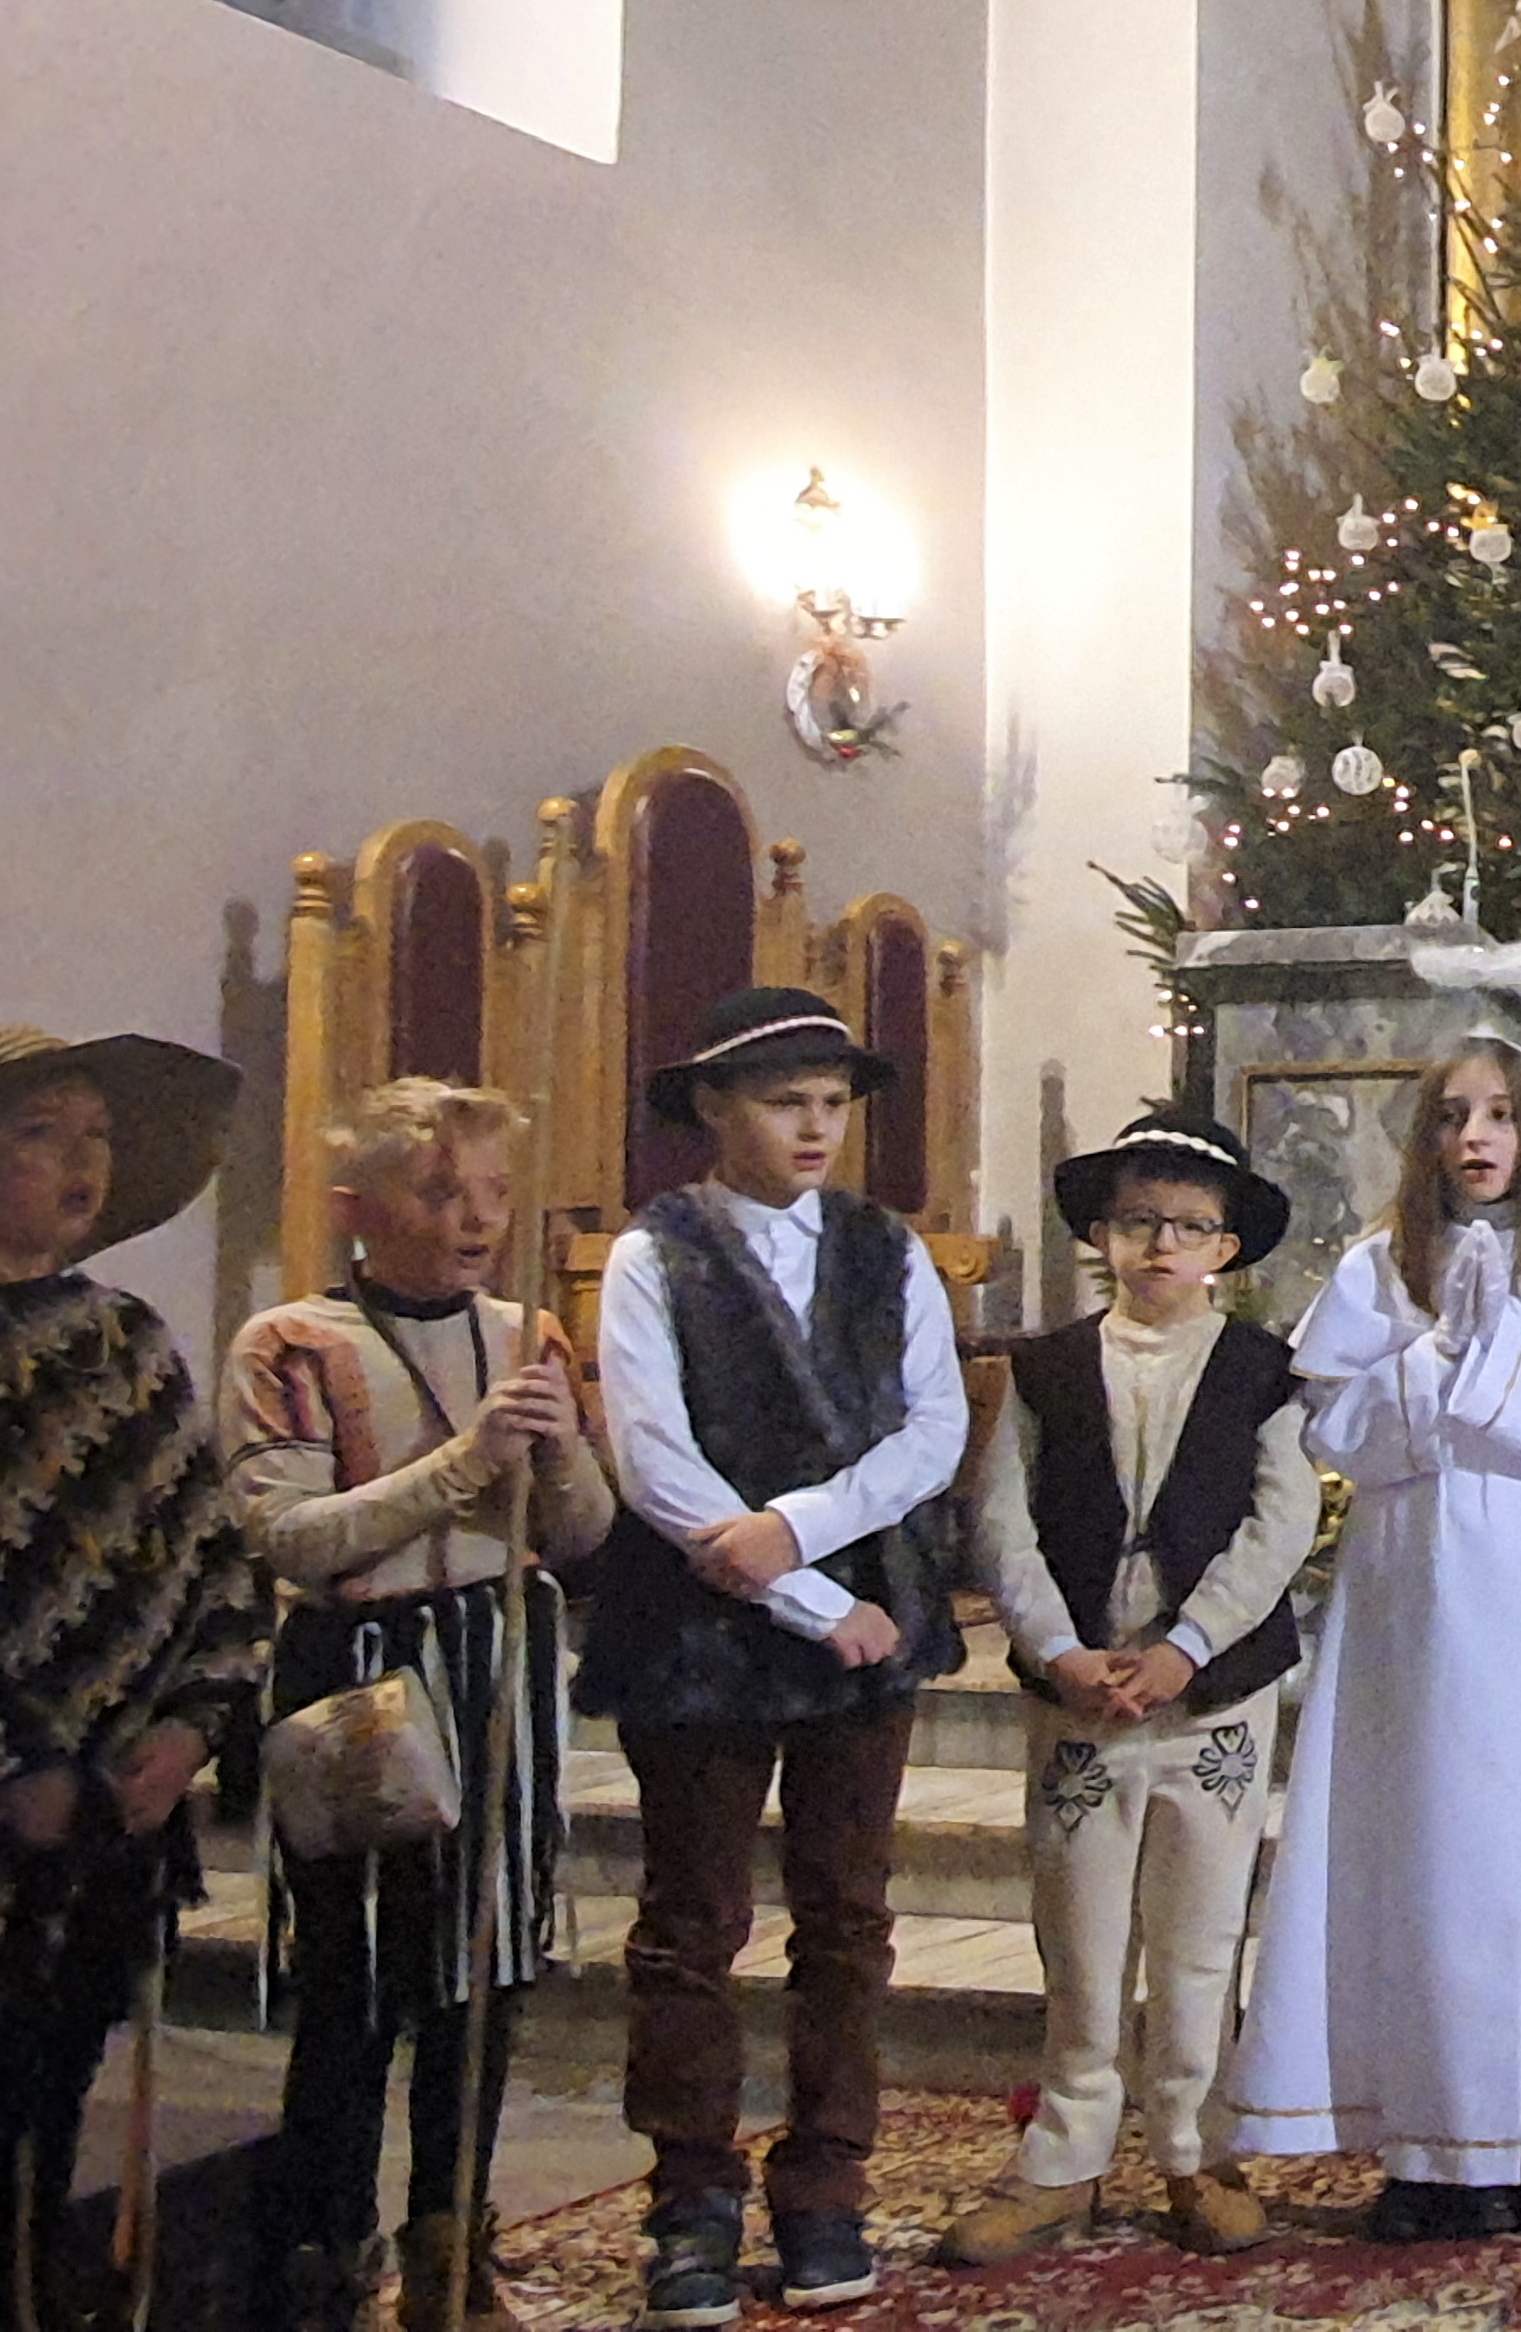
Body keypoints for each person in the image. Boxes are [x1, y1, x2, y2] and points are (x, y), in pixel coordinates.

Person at [580, 989, 970, 2328]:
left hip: (862, 1608)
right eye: (782, 1101)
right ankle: (691, 2196)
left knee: (846, 1918)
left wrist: (800, 1533)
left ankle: (825, 2185)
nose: (814, 1127)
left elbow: (932, 1432)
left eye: (832, 1103)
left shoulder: (884, 1248)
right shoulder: (656, 1253)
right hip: (703, 1628)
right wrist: (801, 1595)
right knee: (692, 1925)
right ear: (711, 1108)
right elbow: (653, 1456)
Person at [1222, 1039, 1521, 2240]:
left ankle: (1519, 2128)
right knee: (1410, 1847)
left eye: (1499, 1115)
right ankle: (1420, 2144)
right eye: (1453, 1116)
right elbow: (1332, 1426)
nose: (1475, 1138)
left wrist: (1504, 1353)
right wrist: (1433, 1359)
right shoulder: (1377, 1265)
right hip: (1408, 1585)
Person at [226, 1081, 613, 2332]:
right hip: (361, 1671)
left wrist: (557, 1454)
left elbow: (583, 1531)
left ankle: (451, 2242)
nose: (475, 1219)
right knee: (356, 1984)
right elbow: (289, 1536)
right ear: (358, 1207)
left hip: (497, 1653)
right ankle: (322, 2249)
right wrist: (462, 1463)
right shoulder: (290, 1343)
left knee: (482, 1974)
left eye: (493, 1192)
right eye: (440, 1193)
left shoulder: (526, 1334)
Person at [941, 1109, 1316, 2269]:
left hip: (1211, 1692)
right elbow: (1003, 1520)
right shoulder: (1048, 1369)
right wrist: (1057, 1649)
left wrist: (1188, 1646)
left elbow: (1281, 1521)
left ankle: (1196, 2149)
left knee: (1201, 1932)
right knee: (1081, 1932)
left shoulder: (1261, 1371)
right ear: (1102, 1234)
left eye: (1190, 1226)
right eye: (1140, 1220)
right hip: (1082, 1692)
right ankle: (1064, 2158)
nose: (1162, 1245)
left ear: (1227, 1249)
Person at [0, 1026, 262, 2329]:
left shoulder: (128, 1342)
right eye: (41, 1133)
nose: (79, 1162)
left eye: (95, 1134)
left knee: (51, 2096)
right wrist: (12, 1767)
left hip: (113, 1814)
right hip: (7, 1795)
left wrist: (191, 1730)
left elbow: (213, 1560)